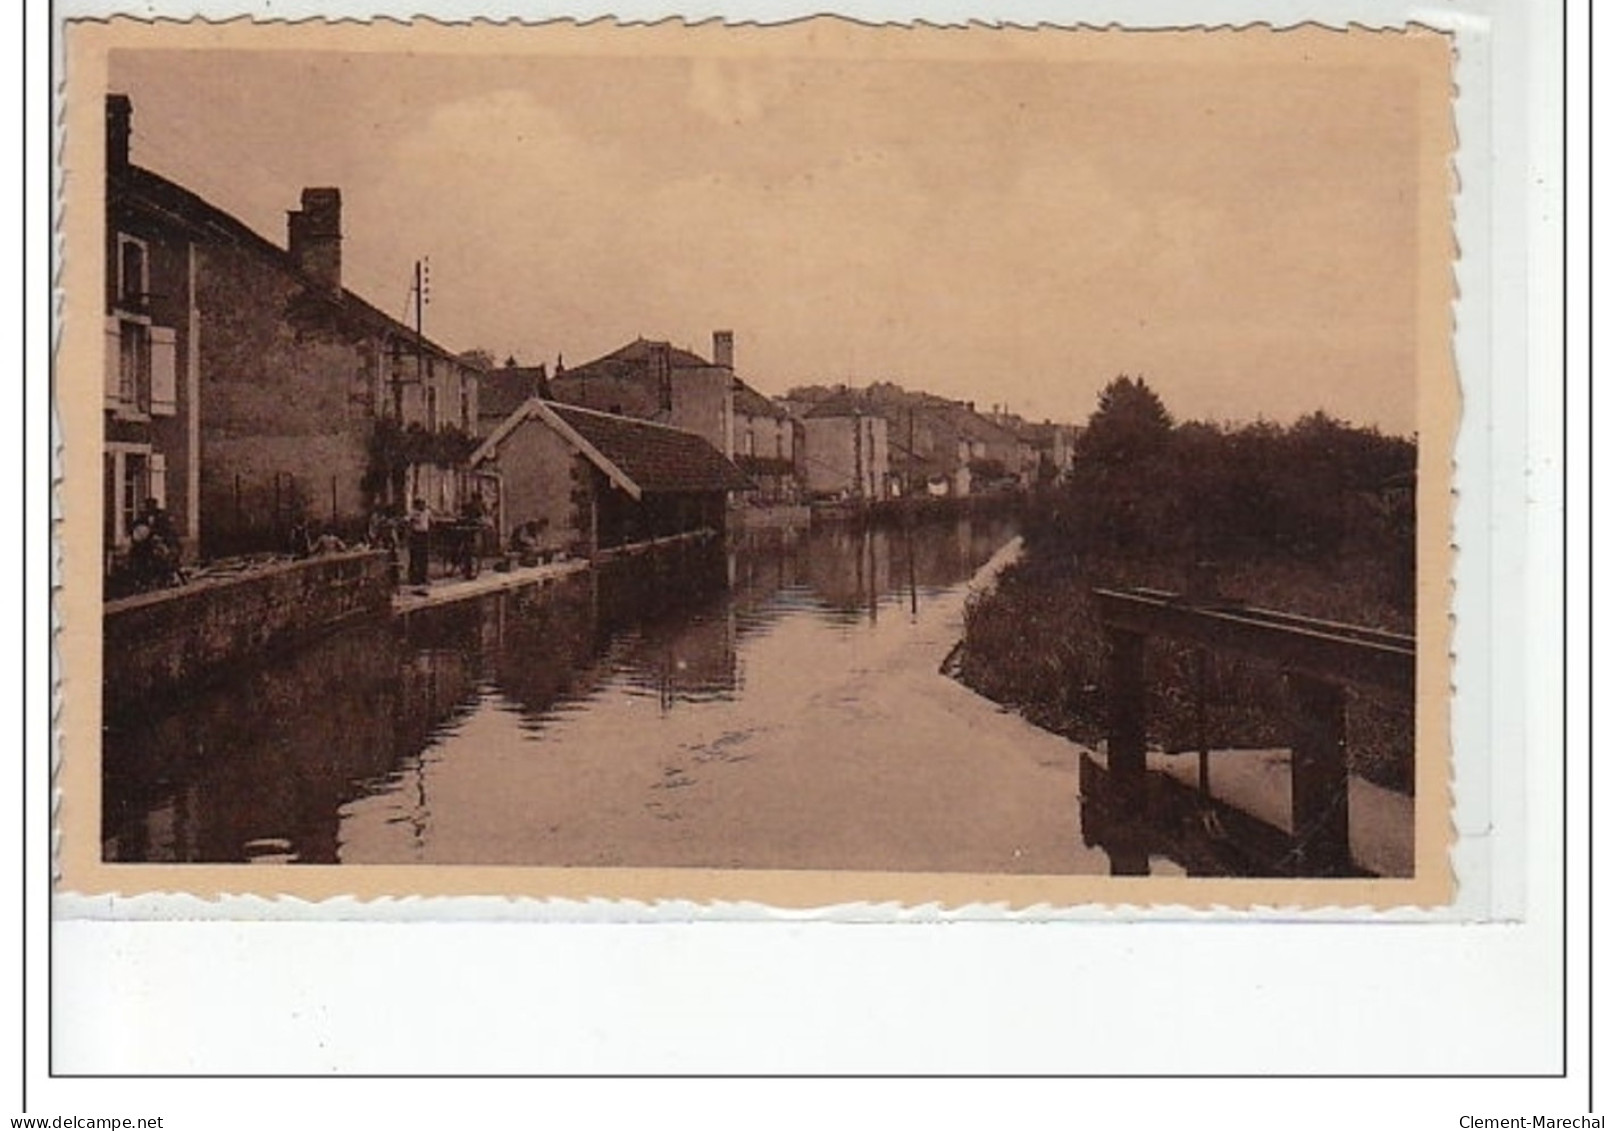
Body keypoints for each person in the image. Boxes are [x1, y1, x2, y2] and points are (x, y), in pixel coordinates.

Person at [407, 497, 432, 586]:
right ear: (416, 505)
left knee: (424, 557)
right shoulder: (413, 513)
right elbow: (409, 523)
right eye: (421, 504)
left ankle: (424, 577)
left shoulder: (427, 512)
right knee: (415, 557)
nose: (423, 506)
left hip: (424, 534)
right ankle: (414, 578)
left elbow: (431, 521)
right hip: (416, 535)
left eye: (423, 504)